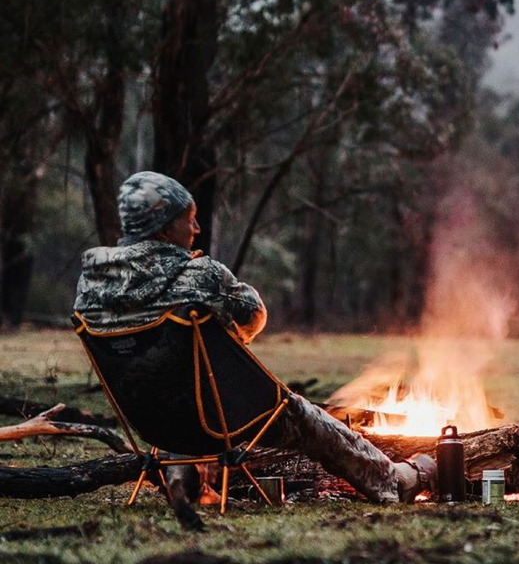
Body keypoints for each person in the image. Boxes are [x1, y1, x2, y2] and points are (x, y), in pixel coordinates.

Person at [73, 171, 435, 504]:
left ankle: (191, 479)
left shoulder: (90, 284)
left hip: (150, 423)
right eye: (189, 218)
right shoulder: (201, 275)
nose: (196, 227)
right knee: (301, 413)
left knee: (180, 373)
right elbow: (254, 315)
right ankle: (394, 482)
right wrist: (229, 337)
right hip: (217, 419)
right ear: (165, 228)